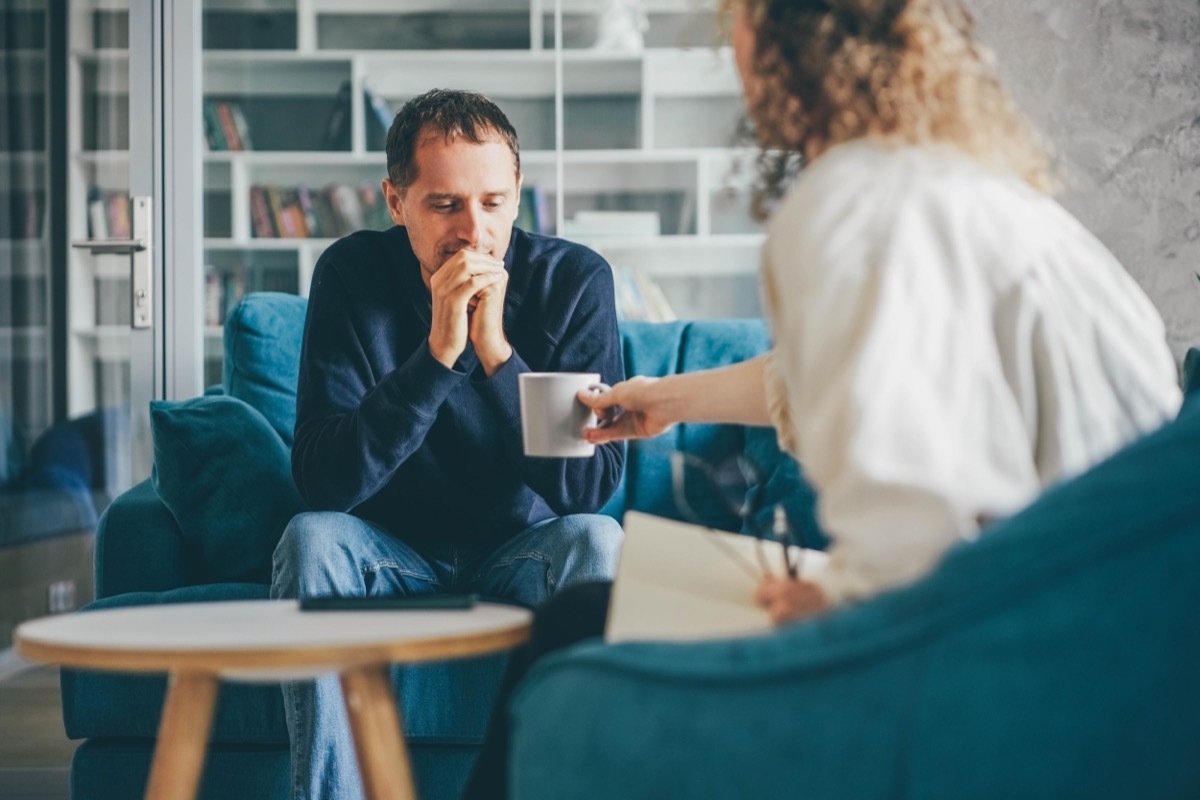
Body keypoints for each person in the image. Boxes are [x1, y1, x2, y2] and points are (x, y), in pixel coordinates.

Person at [460, 0, 1183, 796]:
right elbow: (823, 372)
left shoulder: (853, 202)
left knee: (575, 631)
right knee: (596, 607)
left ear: (776, 38)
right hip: (1105, 644)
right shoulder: (986, 201)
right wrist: (664, 401)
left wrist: (839, 601)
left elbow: (920, 505)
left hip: (976, 654)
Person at [271, 88, 626, 800]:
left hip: (520, 555)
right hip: (391, 557)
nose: (474, 232)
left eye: (493, 203)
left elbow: (587, 489)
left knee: (597, 538)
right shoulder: (350, 275)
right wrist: (437, 355)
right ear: (395, 200)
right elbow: (325, 482)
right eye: (444, 206)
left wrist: (495, 353)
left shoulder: (574, 281)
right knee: (311, 539)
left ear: (519, 196)